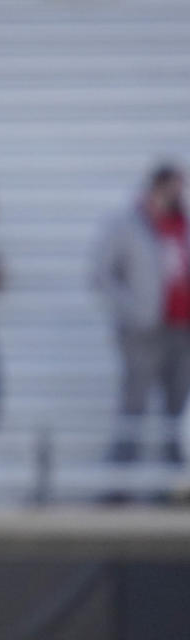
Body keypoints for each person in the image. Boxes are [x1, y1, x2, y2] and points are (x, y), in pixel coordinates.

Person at [92, 163, 189, 467]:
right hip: (143, 330)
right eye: (174, 186)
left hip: (182, 328)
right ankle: (120, 475)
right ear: (157, 187)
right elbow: (102, 275)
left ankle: (174, 479)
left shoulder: (183, 224)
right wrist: (132, 311)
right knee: (135, 402)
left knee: (178, 405)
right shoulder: (127, 224)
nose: (179, 193)